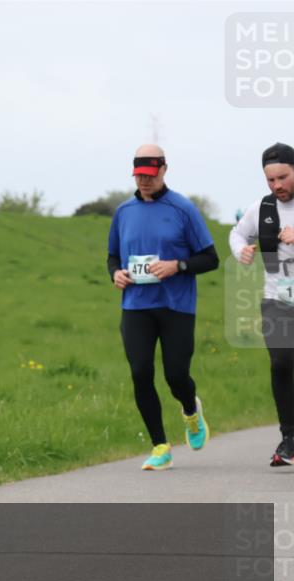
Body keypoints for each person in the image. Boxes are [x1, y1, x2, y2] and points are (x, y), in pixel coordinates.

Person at [107, 144, 219, 470]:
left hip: (176, 305)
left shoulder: (183, 209)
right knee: (141, 371)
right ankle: (160, 446)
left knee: (176, 374)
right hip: (136, 305)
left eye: (150, 175)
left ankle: (191, 411)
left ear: (164, 170)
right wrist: (115, 273)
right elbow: (113, 255)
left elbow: (210, 258)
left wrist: (177, 266)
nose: (144, 181)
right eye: (139, 175)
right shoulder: (124, 211)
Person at [229, 142, 294, 466]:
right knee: (281, 363)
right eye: (271, 180)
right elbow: (237, 234)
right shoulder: (263, 209)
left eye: (282, 177)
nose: (277, 185)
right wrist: (240, 250)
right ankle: (289, 439)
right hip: (277, 298)